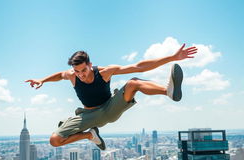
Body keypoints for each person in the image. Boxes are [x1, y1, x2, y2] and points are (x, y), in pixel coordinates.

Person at [26, 44, 197, 150]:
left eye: (84, 71)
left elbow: (138, 67)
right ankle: (90, 135)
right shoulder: (72, 75)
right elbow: (59, 75)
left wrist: (173, 57)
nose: (81, 76)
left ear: (90, 65)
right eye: (77, 72)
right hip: (87, 115)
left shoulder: (105, 72)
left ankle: (167, 91)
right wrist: (42, 80)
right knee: (55, 140)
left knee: (133, 82)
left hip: (110, 108)